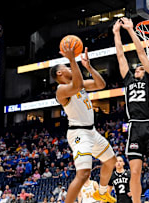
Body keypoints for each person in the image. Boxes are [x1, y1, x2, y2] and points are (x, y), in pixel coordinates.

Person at [113, 17, 149, 203]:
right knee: (135, 171)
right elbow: (121, 55)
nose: (138, 68)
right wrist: (116, 34)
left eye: (140, 68)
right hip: (134, 128)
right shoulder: (128, 80)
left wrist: (130, 30)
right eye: (137, 68)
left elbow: (141, 52)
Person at [50, 41, 117, 203]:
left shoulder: (79, 86)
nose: (69, 68)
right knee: (83, 174)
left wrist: (89, 67)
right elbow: (78, 84)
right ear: (60, 73)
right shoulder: (61, 91)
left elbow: (101, 84)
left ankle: (101, 192)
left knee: (111, 161)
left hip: (92, 132)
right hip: (79, 133)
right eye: (66, 66)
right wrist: (72, 60)